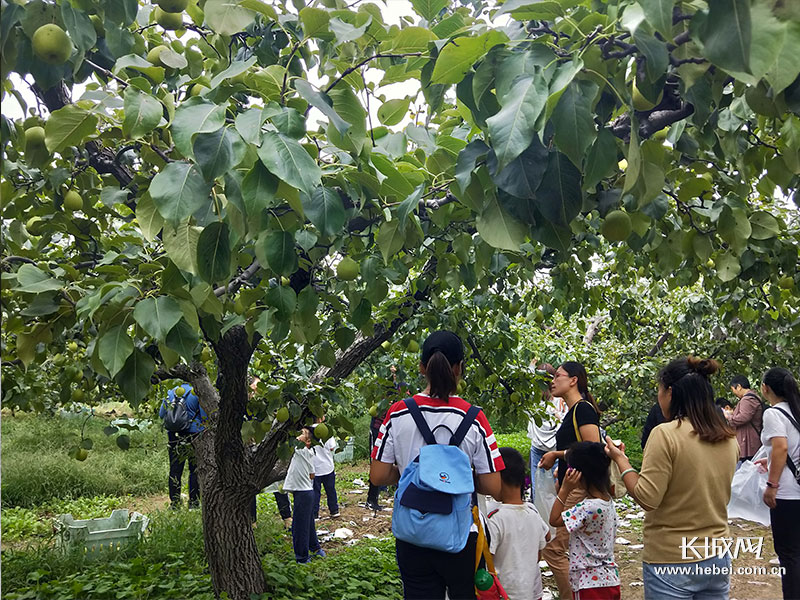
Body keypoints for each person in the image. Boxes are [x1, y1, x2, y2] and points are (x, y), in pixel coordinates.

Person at [369, 330, 504, 600]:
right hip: (460, 535)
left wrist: (416, 472)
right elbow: (493, 486)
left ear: (422, 368)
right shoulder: (475, 418)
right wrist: (455, 476)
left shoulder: (398, 412)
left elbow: (379, 475)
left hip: (413, 534)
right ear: (459, 369)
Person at [604, 356, 738, 600]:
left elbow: (648, 498)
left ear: (670, 392)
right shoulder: (728, 437)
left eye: (659, 390)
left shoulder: (665, 434)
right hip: (717, 554)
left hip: (672, 559)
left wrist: (621, 460)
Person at [537, 361, 602, 599]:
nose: (553, 381)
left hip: (579, 489)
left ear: (573, 380)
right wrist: (561, 469)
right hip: (570, 485)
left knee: (554, 551)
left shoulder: (582, 410)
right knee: (571, 549)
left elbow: (593, 448)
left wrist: (557, 455)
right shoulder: (573, 411)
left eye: (558, 376)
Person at [549, 442, 620, 600]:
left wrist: (565, 489)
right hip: (610, 578)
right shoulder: (607, 502)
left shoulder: (587, 508)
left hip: (588, 582)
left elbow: (554, 520)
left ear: (578, 474)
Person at [485, 447, 550, 600]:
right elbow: (543, 542)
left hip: (504, 593)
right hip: (529, 592)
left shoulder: (495, 519)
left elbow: (488, 561)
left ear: (498, 477)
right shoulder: (532, 512)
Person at [758, 367, 800, 600]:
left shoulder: (773, 413)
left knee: (789, 555)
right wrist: (770, 457)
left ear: (766, 388)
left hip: (788, 494)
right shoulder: (796, 410)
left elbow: (782, 447)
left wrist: (772, 485)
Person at [159, 383, 206, 509]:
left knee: (175, 469)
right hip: (193, 434)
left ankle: (174, 503)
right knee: (194, 470)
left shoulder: (170, 392)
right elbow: (204, 416)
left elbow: (161, 414)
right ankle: (194, 503)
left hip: (174, 435)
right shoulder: (195, 392)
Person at [366, 365, 407, 511]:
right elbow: (373, 407)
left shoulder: (403, 386)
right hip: (380, 427)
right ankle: (372, 499)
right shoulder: (380, 387)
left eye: (395, 373)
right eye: (391, 373)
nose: (393, 375)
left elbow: (407, 401)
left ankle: (399, 494)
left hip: (398, 427)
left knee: (400, 460)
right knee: (379, 461)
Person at [284, 427, 325, 563]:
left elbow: (288, 438)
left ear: (307, 441)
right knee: (307, 523)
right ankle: (315, 548)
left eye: (301, 433)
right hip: (306, 491)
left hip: (303, 492)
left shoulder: (300, 448)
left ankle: (301, 557)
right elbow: (312, 474)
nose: (297, 435)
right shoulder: (309, 452)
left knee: (299, 526)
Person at [526, 362, 566, 501]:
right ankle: (540, 518)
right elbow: (526, 382)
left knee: (554, 489)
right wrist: (531, 367)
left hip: (554, 450)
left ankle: (551, 518)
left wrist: (558, 416)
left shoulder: (559, 401)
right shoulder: (533, 401)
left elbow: (564, 424)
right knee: (537, 488)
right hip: (537, 448)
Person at [728, 374, 764, 464]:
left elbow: (744, 417)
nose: (734, 393)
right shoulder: (752, 397)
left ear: (739, 387)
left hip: (749, 443)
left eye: (733, 390)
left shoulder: (747, 399)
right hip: (750, 442)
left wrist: (728, 417)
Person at [312, 417, 340, 519]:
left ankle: (314, 513)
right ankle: (334, 510)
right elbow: (332, 447)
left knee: (315, 492)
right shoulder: (326, 430)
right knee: (330, 490)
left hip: (314, 467)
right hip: (327, 466)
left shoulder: (307, 431)